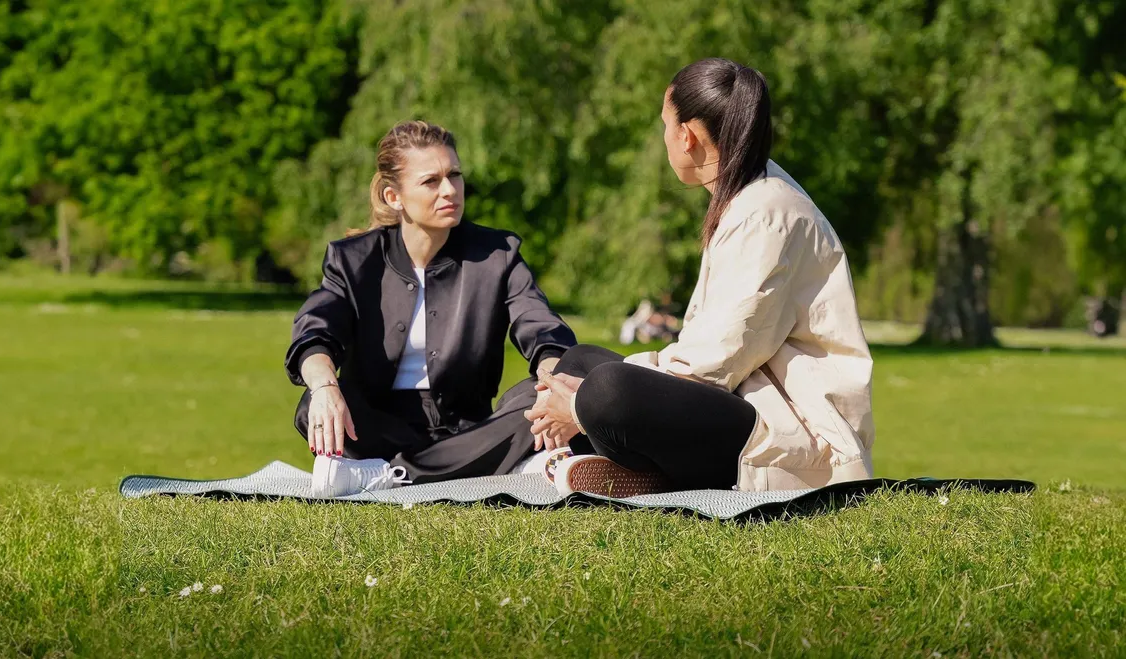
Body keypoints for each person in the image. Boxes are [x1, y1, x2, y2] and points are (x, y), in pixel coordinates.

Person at [527, 58, 875, 496]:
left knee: (605, 390)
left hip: (791, 434)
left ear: (685, 135)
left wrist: (579, 403)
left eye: (665, 125)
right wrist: (575, 388)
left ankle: (618, 466)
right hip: (738, 402)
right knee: (577, 363)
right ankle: (636, 473)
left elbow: (712, 363)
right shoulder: (748, 195)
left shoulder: (766, 214)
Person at [286, 120, 576, 497]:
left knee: (531, 398)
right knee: (313, 401)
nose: (450, 190)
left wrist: (553, 381)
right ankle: (503, 466)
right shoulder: (353, 260)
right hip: (375, 427)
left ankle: (390, 475)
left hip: (469, 429)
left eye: (454, 175)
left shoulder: (498, 254)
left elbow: (540, 327)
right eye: (431, 181)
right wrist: (325, 386)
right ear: (394, 196)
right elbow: (315, 332)